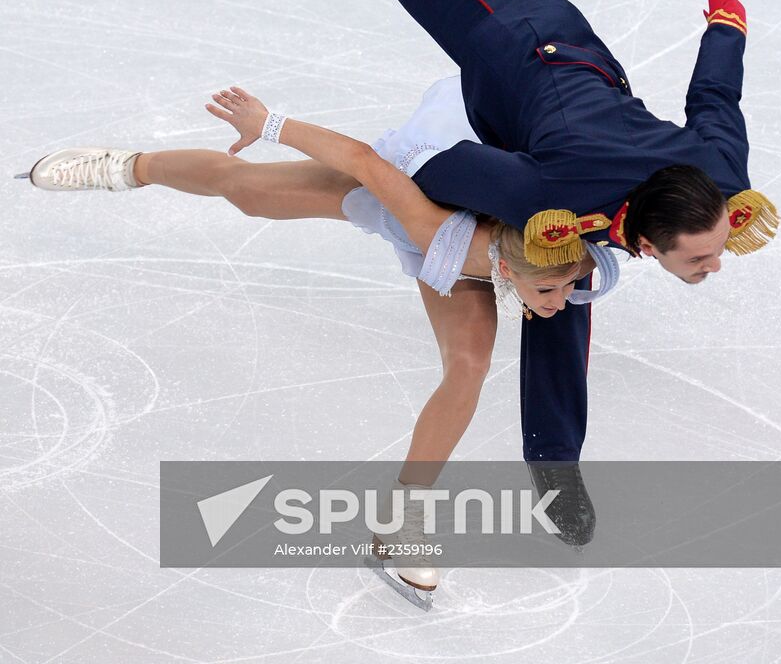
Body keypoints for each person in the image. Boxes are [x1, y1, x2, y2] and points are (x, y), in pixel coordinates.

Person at [353, 0, 780, 504]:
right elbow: (438, 166)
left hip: (571, 85)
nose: (720, 258)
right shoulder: (554, 190)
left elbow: (716, 102)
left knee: (564, 280)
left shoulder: (715, 182)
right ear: (648, 245)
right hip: (514, 42)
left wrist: (727, 18)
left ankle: (554, 468)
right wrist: (505, 245)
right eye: (707, 254)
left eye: (711, 250)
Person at [21, 71, 619, 594]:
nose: (560, 303)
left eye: (566, 288)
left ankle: (400, 520)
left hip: (482, 219)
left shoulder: (562, 247)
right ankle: (125, 166)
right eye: (550, 292)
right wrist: (269, 121)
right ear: (508, 269)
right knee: (245, 190)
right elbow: (362, 160)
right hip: (410, 192)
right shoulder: (430, 222)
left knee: (467, 367)